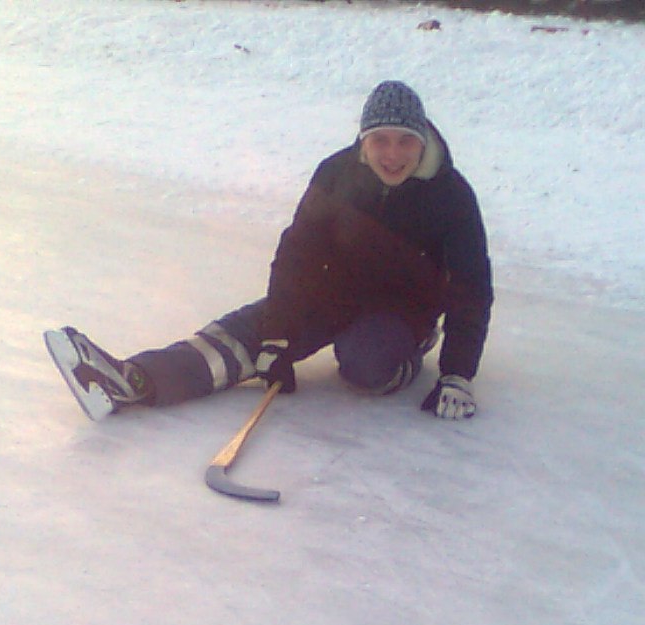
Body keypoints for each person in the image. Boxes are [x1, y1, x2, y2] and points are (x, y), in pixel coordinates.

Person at [45, 81, 493, 423]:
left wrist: (457, 372)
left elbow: (471, 288)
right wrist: (278, 334)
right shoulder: (335, 174)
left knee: (364, 367)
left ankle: (412, 350)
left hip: (399, 312)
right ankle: (134, 380)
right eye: (381, 140)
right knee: (247, 337)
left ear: (422, 140)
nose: (393, 154)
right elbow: (297, 252)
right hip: (332, 293)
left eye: (404, 141)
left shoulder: (450, 195)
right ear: (363, 141)